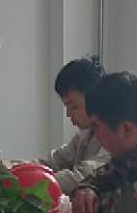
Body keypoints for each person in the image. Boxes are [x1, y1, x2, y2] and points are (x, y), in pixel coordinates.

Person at [69, 71, 137, 213]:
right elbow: (102, 177)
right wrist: (87, 191)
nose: (94, 134)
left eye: (96, 126)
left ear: (126, 129)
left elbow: (131, 208)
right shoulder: (133, 147)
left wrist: (93, 205)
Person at [44, 55, 109, 194]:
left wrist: (33, 180)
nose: (68, 114)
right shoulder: (84, 135)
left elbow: (83, 177)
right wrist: (13, 168)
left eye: (73, 106)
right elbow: (54, 161)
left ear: (95, 100)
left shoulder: (114, 136)